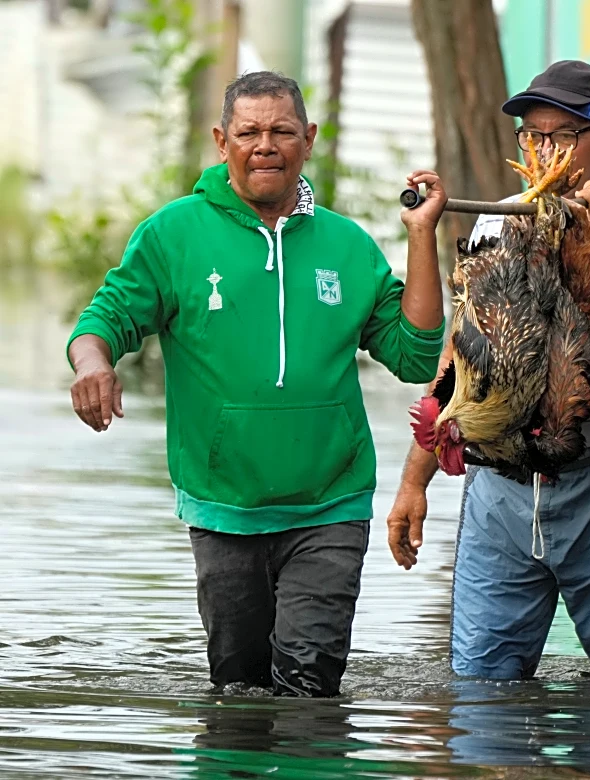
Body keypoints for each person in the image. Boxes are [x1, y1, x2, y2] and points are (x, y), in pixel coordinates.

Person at [67, 71, 447, 696]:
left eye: (282, 131)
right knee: (238, 689)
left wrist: (421, 237)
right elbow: (102, 320)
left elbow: (412, 355)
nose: (265, 144)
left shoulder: (347, 246)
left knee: (309, 686)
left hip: (331, 501)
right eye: (249, 132)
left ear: (309, 140)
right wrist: (92, 363)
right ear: (222, 141)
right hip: (223, 505)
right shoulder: (173, 234)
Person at [388, 60, 590, 678]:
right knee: (481, 693)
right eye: (532, 135)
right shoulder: (500, 216)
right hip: (500, 483)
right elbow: (462, 352)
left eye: (561, 135)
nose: (543, 148)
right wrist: (414, 481)